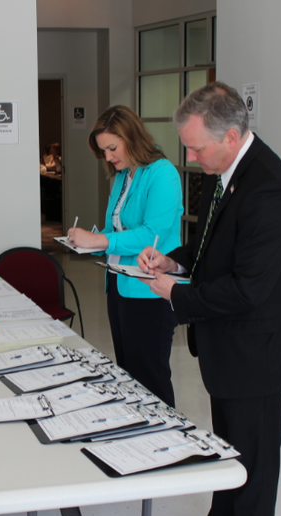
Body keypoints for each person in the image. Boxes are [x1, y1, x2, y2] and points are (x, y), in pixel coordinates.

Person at [137, 82, 281, 516]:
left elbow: (248, 288)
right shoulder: (223, 169)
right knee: (228, 449)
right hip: (228, 347)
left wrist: (174, 294)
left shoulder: (271, 191)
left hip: (256, 350)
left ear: (231, 135)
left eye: (196, 148)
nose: (190, 157)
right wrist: (175, 260)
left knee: (253, 459)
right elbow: (212, 243)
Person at [67, 105, 182, 407]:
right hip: (119, 286)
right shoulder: (123, 174)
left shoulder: (162, 174)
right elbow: (113, 227)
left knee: (150, 378)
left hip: (150, 290)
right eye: (104, 151)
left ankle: (164, 442)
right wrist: (88, 241)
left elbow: (150, 233)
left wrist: (101, 239)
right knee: (129, 375)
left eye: (112, 148)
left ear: (131, 136)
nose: (108, 157)